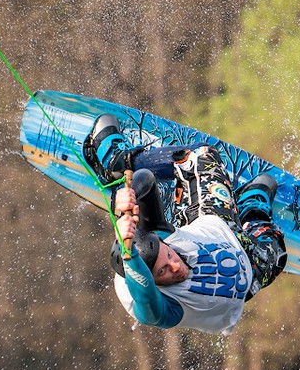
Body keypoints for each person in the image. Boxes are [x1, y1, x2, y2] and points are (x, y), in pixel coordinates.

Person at [84, 114, 288, 335]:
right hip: (252, 269)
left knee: (202, 155)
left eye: (170, 257)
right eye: (163, 271)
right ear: (153, 281)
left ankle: (116, 160)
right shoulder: (163, 307)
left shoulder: (159, 238)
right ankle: (250, 205)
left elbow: (145, 182)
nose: (176, 267)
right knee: (276, 249)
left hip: (217, 224)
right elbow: (145, 295)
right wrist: (129, 256)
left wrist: (123, 198)